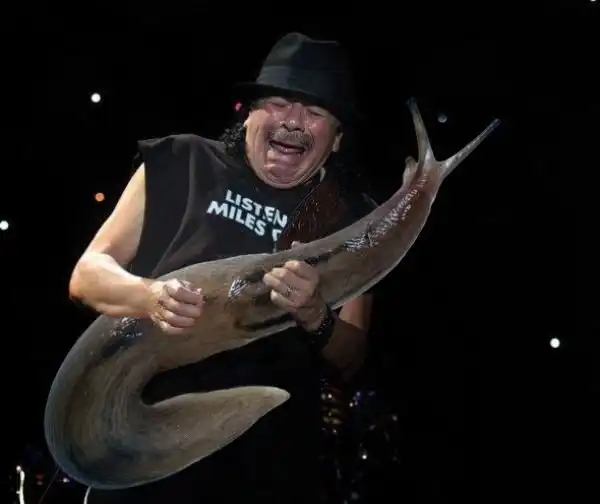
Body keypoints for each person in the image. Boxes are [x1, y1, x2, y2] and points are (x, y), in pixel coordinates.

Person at [69, 32, 378, 503]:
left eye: (315, 112)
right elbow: (88, 273)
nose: (293, 121)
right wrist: (149, 296)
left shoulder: (352, 220)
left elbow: (352, 355)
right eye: (278, 103)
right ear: (249, 112)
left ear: (336, 140)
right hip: (148, 448)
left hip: (272, 465)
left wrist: (316, 314)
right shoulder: (182, 162)